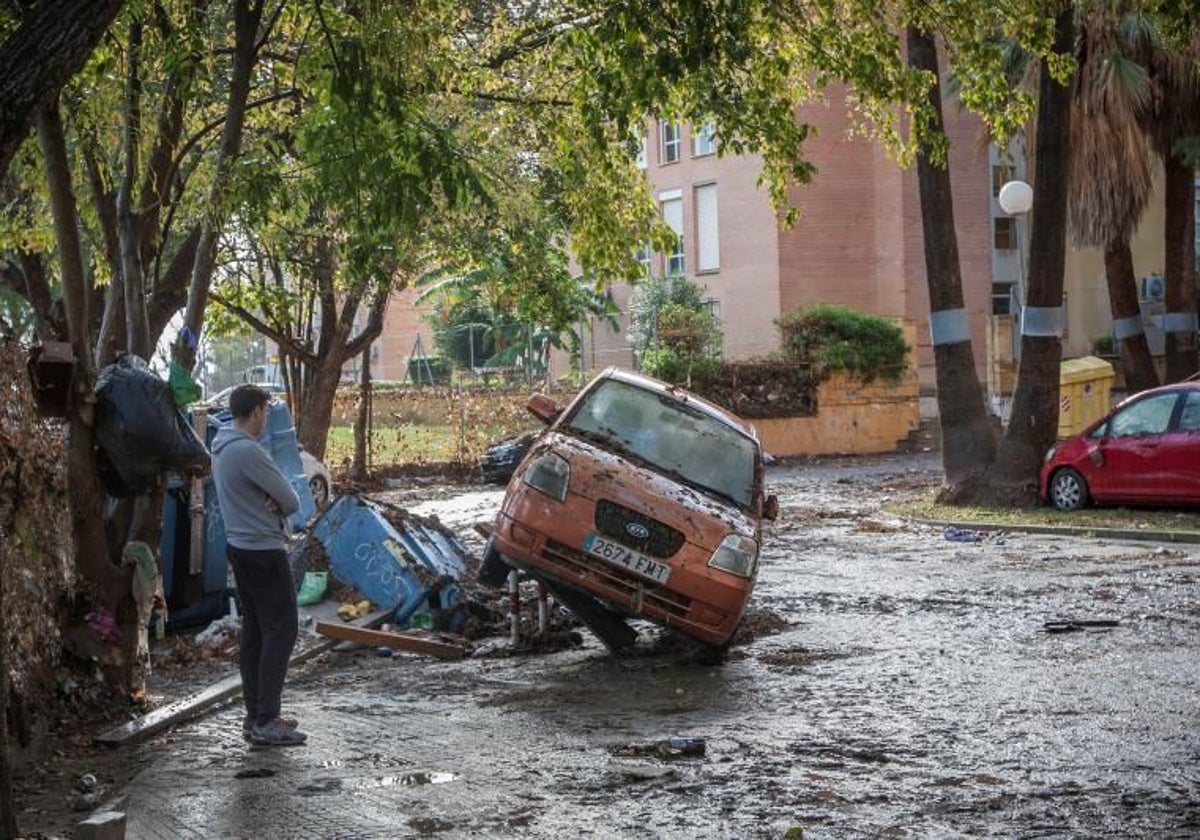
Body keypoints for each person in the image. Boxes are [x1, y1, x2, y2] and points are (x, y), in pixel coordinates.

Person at [211, 384, 306, 747]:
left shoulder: (221, 448)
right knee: (282, 630)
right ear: (255, 412)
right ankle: (267, 718)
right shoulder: (247, 452)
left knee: (255, 632)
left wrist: (271, 497)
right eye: (265, 411)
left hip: (239, 547)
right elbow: (292, 499)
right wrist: (276, 500)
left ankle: (256, 715)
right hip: (264, 550)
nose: (267, 418)